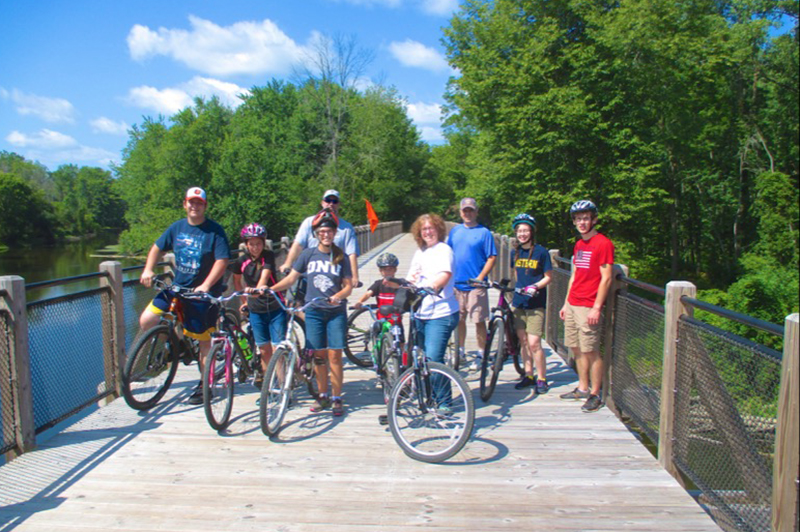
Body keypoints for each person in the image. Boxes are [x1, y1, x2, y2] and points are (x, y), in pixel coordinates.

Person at [139, 187, 230, 405]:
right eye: (191, 202)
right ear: (184, 204)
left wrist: (207, 285)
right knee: (147, 320)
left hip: (202, 294)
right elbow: (156, 248)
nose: (194, 206)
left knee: (203, 341)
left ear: (205, 206)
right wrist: (148, 270)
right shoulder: (177, 228)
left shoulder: (214, 231)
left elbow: (222, 260)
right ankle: (175, 343)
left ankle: (205, 386)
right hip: (178, 287)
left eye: (199, 203)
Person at [269, 209, 353, 416]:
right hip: (313, 310)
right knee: (318, 355)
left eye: (330, 231)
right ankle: (322, 395)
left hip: (335, 311)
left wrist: (339, 296)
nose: (326, 234)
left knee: (335, 355)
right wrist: (269, 289)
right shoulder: (308, 254)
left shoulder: (341, 256)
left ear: (335, 233)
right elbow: (291, 279)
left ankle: (336, 397)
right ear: (316, 233)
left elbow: (348, 285)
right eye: (322, 231)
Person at [559, 200, 615, 413]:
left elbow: (607, 278)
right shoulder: (579, 244)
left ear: (594, 219)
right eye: (578, 219)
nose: (582, 222)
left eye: (585, 218)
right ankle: (582, 388)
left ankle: (595, 393)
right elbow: (575, 275)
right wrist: (565, 303)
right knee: (575, 347)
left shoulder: (603, 244)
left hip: (588, 305)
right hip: (573, 303)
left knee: (591, 351)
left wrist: (596, 307)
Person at [229, 223, 286, 387]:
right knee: (263, 350)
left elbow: (265, 276)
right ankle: (268, 385)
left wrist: (259, 288)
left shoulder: (268, 256)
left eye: (259, 243)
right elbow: (236, 281)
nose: (255, 247)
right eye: (251, 244)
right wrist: (244, 301)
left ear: (264, 243)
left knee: (278, 350)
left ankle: (283, 385)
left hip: (274, 306)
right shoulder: (241, 261)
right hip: (256, 309)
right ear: (246, 245)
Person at [446, 198, 497, 370]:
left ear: (476, 212)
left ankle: (482, 353)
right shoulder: (455, 231)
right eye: (465, 210)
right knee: (458, 319)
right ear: (460, 212)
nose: (468, 213)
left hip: (476, 285)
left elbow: (492, 257)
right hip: (456, 284)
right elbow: (448, 253)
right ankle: (460, 351)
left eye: (471, 210)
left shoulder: (484, 233)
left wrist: (481, 277)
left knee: (479, 320)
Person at [407, 214, 460, 367]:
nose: (427, 232)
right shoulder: (420, 252)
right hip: (420, 312)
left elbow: (445, 274)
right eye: (424, 229)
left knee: (433, 360)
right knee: (421, 358)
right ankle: (428, 391)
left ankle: (443, 392)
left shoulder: (444, 250)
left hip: (441, 313)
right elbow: (412, 277)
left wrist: (434, 286)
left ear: (439, 229)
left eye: (431, 228)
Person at [280, 189, 360, 288]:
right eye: (328, 200)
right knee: (292, 299)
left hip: (333, 275)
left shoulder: (347, 228)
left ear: (339, 204)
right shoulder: (309, 222)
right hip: (307, 273)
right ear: (322, 203)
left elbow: (351, 253)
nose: (331, 204)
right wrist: (287, 264)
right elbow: (298, 244)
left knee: (334, 301)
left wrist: (354, 276)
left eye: (334, 201)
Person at [509, 213, 553, 394]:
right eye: (520, 230)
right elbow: (516, 275)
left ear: (532, 232)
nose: (522, 234)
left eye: (526, 230)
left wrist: (535, 286)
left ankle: (542, 378)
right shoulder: (515, 252)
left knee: (534, 342)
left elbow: (549, 277)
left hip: (536, 303)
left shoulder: (542, 252)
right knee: (523, 341)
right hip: (519, 302)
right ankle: (528, 375)